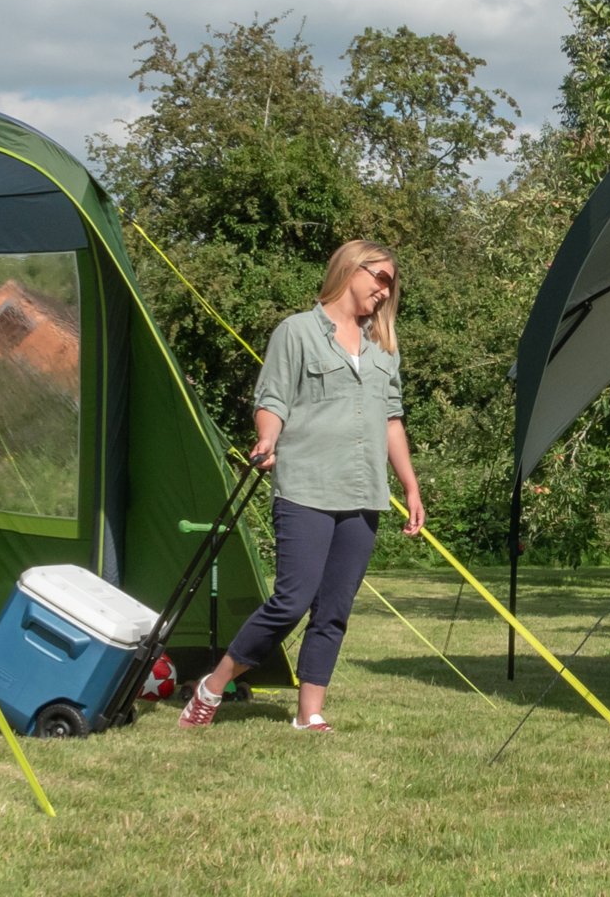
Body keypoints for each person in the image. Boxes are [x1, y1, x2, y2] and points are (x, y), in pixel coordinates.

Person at [143, 240, 424, 732]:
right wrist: (267, 438)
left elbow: (392, 422)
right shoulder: (296, 332)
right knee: (292, 600)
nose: (385, 291)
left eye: (390, 284)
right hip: (306, 487)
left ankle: (309, 713)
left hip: (364, 494)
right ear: (350, 269)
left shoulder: (383, 349)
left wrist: (410, 488)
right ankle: (213, 685)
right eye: (379, 277)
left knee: (334, 608)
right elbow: (272, 398)